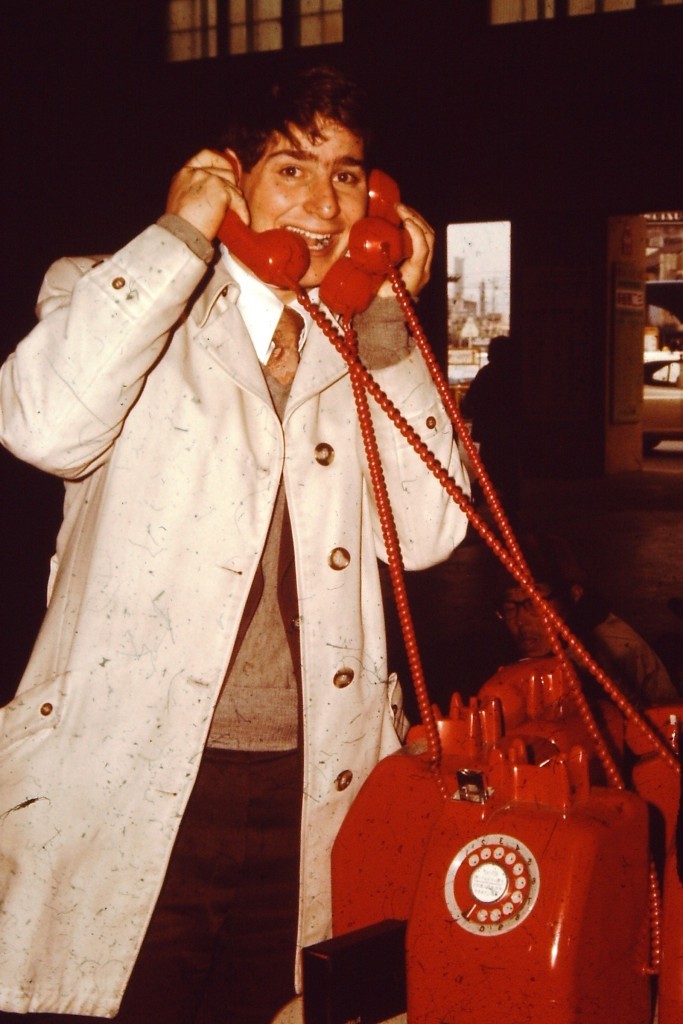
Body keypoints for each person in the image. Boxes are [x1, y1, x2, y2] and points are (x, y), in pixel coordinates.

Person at [0, 66, 469, 1022]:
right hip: (135, 772)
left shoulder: (365, 341)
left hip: (310, 787)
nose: (320, 202)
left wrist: (386, 326)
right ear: (231, 178)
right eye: (290, 168)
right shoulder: (110, 292)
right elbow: (42, 424)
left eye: (346, 176)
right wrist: (180, 239)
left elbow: (424, 536)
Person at [495, 530, 680, 710]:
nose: (521, 620)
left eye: (534, 603)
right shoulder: (506, 649)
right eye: (510, 607)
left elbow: (667, 718)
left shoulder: (615, 646)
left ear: (574, 595)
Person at [460, 334, 522, 516]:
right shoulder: (515, 375)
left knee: (487, 469)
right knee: (509, 470)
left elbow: (472, 399)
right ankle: (511, 509)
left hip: (489, 431)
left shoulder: (486, 374)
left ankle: (477, 502)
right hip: (509, 431)